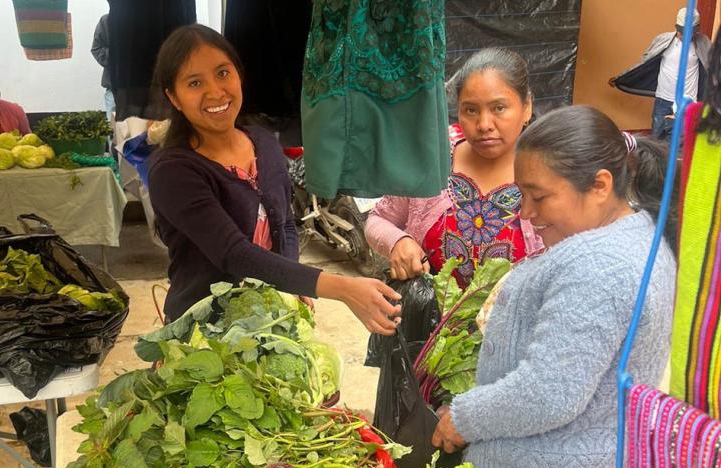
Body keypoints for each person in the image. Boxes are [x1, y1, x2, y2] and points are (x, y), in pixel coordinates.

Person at [432, 106, 677, 468]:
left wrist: (464, 418)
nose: (526, 213)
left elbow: (548, 393)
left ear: (599, 185)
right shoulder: (635, 236)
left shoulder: (600, 266)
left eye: (539, 197)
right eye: (521, 195)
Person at [147, 24, 401, 335]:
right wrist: (342, 288)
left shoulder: (264, 143)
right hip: (204, 334)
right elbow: (235, 254)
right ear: (174, 97)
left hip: (272, 321)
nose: (215, 91)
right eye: (195, 82)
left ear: (239, 74)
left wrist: (293, 282)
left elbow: (287, 224)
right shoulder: (172, 172)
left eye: (223, 73)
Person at [365, 48, 542, 289]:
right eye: (471, 110)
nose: (484, 124)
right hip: (430, 324)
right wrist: (398, 241)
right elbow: (378, 220)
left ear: (527, 107)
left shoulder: (550, 173)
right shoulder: (433, 159)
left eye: (499, 108)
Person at [610, 7, 711, 141]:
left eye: (689, 32)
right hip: (663, 100)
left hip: (687, 102)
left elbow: (713, 68)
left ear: (697, 29)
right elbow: (644, 64)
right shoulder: (663, 40)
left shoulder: (703, 43)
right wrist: (621, 78)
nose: (684, 36)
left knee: (680, 142)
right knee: (657, 139)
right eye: (681, 32)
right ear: (676, 27)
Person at [91, 13, 115, 122]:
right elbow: (96, 49)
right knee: (113, 132)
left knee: (141, 133)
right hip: (114, 89)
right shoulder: (106, 20)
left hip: (144, 90)